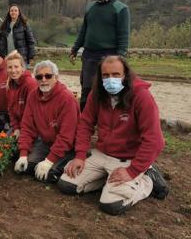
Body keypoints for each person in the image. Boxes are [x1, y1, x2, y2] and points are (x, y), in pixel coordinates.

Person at [57, 55, 169, 215]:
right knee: (66, 184)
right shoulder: (97, 94)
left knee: (111, 205)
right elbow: (85, 124)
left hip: (128, 159)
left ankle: (147, 179)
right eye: (106, 75)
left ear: (126, 75)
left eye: (116, 74)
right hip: (102, 153)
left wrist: (132, 171)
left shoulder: (141, 97)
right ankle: (108, 180)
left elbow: (155, 140)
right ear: (100, 76)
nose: (111, 79)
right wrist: (80, 155)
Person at [70, 0, 130, 111]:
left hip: (110, 55)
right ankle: (84, 123)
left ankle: (111, 122)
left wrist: (120, 58)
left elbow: (123, 36)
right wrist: (75, 48)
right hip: (89, 55)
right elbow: (84, 30)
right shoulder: (90, 7)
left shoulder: (120, 8)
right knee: (87, 90)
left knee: (110, 90)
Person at [14, 60, 79, 183]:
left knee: (49, 174)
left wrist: (49, 161)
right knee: (28, 167)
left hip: (68, 146)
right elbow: (27, 127)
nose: (43, 80)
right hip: (46, 143)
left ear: (56, 77)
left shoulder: (67, 99)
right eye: (39, 77)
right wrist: (23, 154)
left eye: (48, 76)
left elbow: (66, 136)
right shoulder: (33, 95)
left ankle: (70, 159)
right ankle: (48, 161)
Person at [5, 51, 38, 138]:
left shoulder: (30, 84)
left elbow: (33, 113)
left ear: (22, 67)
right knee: (2, 144)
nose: (13, 70)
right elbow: (11, 110)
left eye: (16, 67)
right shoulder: (10, 84)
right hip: (18, 126)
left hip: (32, 128)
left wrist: (21, 130)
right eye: (10, 67)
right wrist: (16, 128)